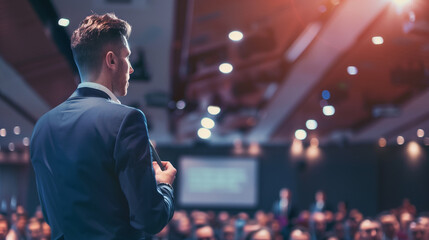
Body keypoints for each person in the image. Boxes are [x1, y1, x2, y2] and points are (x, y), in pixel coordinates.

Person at [30, 13, 176, 240]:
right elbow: (149, 218)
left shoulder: (42, 126)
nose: (131, 69)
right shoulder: (127, 120)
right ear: (112, 60)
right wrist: (164, 186)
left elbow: (51, 215)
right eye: (127, 57)